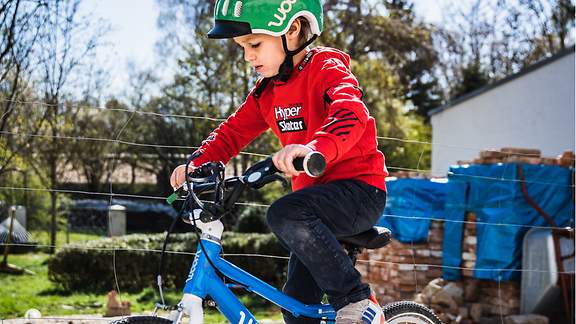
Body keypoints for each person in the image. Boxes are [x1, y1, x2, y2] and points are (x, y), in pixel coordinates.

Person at [170, 1, 388, 323]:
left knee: (284, 212)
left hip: (358, 193)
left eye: (255, 44)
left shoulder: (326, 67)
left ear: (292, 30)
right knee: (296, 308)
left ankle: (357, 299)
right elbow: (231, 133)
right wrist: (198, 163)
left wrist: (315, 147)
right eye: (242, 47)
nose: (248, 56)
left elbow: (350, 113)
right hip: (311, 209)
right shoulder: (267, 92)